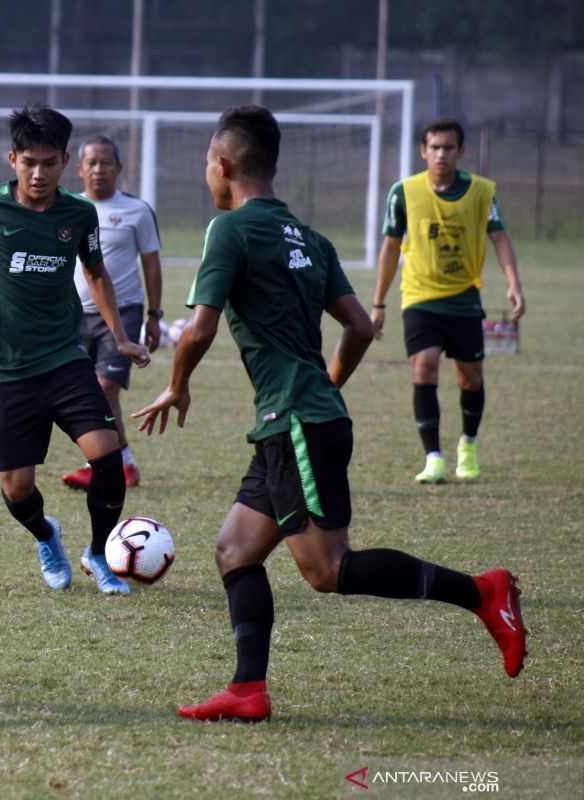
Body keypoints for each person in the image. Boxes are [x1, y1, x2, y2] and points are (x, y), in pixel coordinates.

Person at [134, 106, 526, 723]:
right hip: (295, 419)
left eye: (208, 163)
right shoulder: (310, 239)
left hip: (295, 421)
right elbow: (361, 327)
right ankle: (247, 689)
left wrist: (177, 385)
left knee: (327, 569)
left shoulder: (229, 230)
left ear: (224, 164)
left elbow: (199, 328)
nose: (207, 174)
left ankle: (484, 592)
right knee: (236, 551)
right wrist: (326, 387)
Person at [0, 104, 150, 595]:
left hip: (65, 360)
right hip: (6, 371)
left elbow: (95, 273)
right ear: (12, 159)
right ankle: (45, 534)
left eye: (49, 163)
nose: (38, 172)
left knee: (108, 456)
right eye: (29, 162)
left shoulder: (78, 213)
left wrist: (118, 336)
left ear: (65, 161)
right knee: (17, 488)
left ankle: (98, 553)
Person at [371, 117, 525, 484]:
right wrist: (378, 303)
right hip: (420, 296)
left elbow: (500, 237)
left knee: (470, 379)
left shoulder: (482, 192)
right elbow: (390, 248)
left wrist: (514, 283)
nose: (441, 154)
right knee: (424, 366)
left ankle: (467, 444)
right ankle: (433, 457)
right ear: (423, 151)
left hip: (463, 299)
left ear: (461, 151)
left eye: (448, 148)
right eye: (434, 148)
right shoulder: (403, 192)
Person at [60, 134, 163, 491]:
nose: (99, 169)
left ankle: (97, 465)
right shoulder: (66, 208)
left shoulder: (137, 210)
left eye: (106, 162)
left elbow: (151, 265)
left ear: (119, 168)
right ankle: (125, 465)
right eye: (92, 162)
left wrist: (155, 314)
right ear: (78, 168)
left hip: (123, 312)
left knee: (105, 389)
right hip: (73, 316)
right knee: (83, 394)